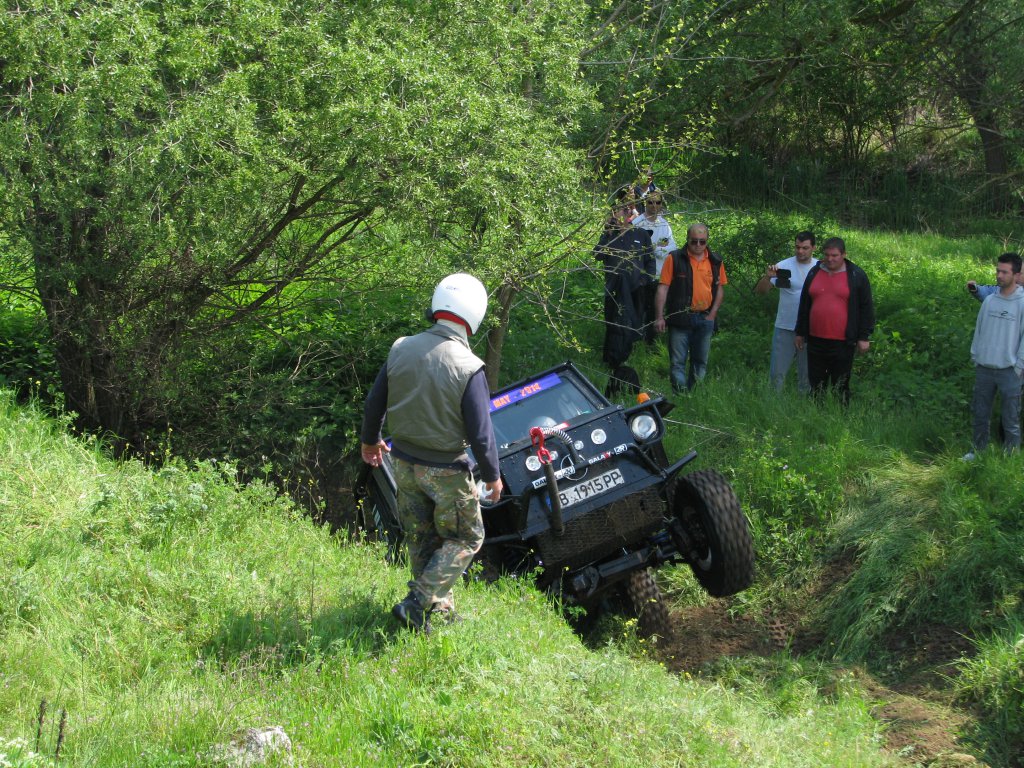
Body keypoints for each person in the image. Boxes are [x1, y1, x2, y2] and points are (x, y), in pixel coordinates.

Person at [360, 273, 503, 634]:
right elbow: (481, 432)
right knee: (467, 538)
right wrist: (492, 475)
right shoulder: (469, 367)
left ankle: (435, 611)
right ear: (475, 315)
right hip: (446, 471)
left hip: (403, 464)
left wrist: (370, 439)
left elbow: (375, 401)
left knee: (422, 537)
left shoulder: (401, 348)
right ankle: (417, 602)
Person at [794, 237, 874, 404]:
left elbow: (866, 308)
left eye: (835, 255)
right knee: (816, 384)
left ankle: (840, 417)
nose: (830, 259)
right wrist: (800, 332)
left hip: (843, 341)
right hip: (816, 339)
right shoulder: (814, 272)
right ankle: (816, 415)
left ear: (844, 254)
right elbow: (805, 304)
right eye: (827, 255)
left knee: (841, 384)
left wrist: (863, 337)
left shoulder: (856, 275)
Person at [964, 253, 1024, 460]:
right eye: (998, 270)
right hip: (985, 368)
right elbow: (979, 331)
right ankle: (978, 451)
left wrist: (1019, 367)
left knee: (1011, 418)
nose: (999, 275)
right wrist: (976, 355)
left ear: (1016, 275)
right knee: (980, 413)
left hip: (1010, 370)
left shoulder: (1022, 303)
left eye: (1004, 272)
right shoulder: (989, 300)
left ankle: (1011, 457)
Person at [653, 223, 727, 393]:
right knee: (677, 362)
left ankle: (695, 394)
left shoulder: (715, 261)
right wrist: (659, 317)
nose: (698, 245)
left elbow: (720, 289)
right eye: (694, 241)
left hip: (705, 318)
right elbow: (662, 288)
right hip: (680, 317)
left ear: (707, 241)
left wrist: (712, 315)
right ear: (687, 239)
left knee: (700, 361)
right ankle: (680, 395)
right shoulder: (675, 258)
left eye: (702, 241)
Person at [594, 188, 655, 371]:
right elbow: (597, 254)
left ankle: (622, 358)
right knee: (613, 322)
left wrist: (645, 280)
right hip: (614, 288)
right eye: (622, 209)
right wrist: (609, 231)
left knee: (631, 323)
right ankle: (612, 360)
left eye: (629, 209)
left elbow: (649, 261)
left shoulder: (640, 234)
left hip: (636, 289)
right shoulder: (609, 235)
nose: (627, 212)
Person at [755, 231, 817, 393]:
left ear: (813, 248)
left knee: (807, 374)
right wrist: (768, 277)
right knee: (777, 373)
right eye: (797, 247)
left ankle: (805, 406)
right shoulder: (783, 265)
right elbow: (761, 292)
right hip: (785, 326)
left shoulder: (820, 268)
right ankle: (774, 406)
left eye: (805, 248)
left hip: (810, 329)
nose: (800, 251)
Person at [631, 192, 677, 343]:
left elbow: (672, 246)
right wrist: (657, 247)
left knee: (654, 309)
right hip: (639, 274)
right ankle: (635, 340)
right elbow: (633, 250)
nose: (654, 206)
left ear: (661, 204)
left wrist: (656, 248)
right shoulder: (638, 223)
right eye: (651, 202)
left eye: (657, 203)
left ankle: (650, 342)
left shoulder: (664, 224)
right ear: (645, 203)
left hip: (659, 274)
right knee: (638, 309)